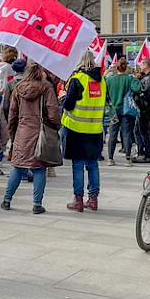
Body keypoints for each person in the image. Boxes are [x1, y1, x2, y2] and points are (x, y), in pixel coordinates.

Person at [1, 61, 60, 214]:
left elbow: (12, 114)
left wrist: (13, 134)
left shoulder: (18, 88)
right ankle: (37, 204)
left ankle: (6, 200)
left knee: (18, 167)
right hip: (40, 132)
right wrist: (55, 126)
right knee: (39, 168)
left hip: (22, 131)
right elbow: (53, 112)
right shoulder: (46, 87)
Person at [62, 51, 107, 212]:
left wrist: (63, 96)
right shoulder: (102, 81)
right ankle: (93, 199)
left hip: (76, 128)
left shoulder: (77, 79)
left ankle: (78, 200)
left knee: (78, 164)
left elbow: (68, 105)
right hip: (95, 128)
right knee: (93, 164)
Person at [105, 57, 136, 167]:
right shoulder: (129, 79)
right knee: (126, 133)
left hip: (113, 110)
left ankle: (110, 158)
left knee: (112, 134)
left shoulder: (109, 80)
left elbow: (105, 94)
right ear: (126, 67)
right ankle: (128, 159)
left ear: (116, 68)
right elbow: (137, 89)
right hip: (126, 110)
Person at [132, 57, 150, 163]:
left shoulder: (148, 79)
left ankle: (144, 154)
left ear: (146, 65)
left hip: (145, 109)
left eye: (142, 64)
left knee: (141, 131)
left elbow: (146, 95)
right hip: (147, 108)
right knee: (140, 131)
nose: (140, 67)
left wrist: (136, 94)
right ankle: (143, 153)